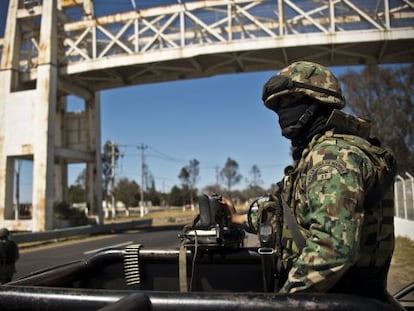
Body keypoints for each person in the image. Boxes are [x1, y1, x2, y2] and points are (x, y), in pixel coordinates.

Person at [221, 61, 398, 303]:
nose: (281, 112)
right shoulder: (317, 156)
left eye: (287, 101)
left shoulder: (333, 158)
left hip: (339, 300)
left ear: (317, 101)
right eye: (277, 106)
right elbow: (288, 215)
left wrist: (282, 303)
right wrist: (238, 218)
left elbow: (333, 249)